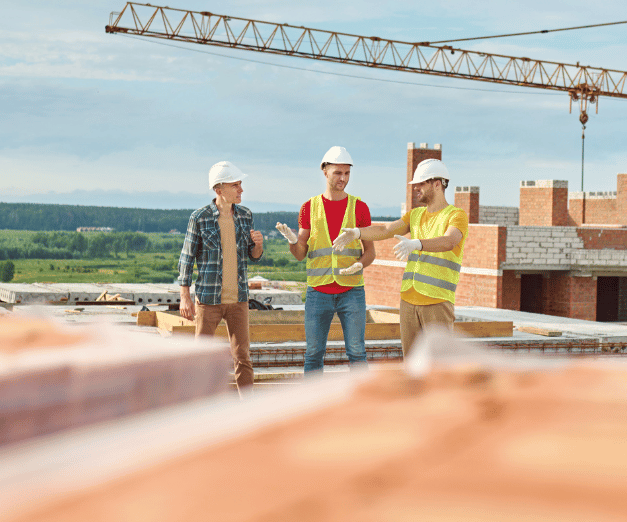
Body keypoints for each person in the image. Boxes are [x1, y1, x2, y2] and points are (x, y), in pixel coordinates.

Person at [331, 158, 467, 356]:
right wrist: (357, 233)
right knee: (412, 365)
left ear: (437, 184)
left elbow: (449, 241)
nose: (416, 188)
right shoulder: (415, 215)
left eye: (421, 184)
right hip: (409, 301)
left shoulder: (456, 215)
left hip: (437, 302)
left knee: (440, 366)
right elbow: (386, 229)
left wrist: (417, 244)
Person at [275, 146, 374, 375]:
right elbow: (300, 253)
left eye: (347, 173)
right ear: (325, 171)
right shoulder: (309, 207)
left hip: (352, 291)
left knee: (357, 352)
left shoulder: (359, 207)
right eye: (338, 173)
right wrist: (292, 240)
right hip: (318, 292)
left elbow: (370, 251)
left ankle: (362, 407)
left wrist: (360, 264)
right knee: (313, 353)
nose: (343, 178)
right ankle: (311, 402)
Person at [178, 161, 264, 391]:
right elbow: (186, 258)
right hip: (208, 300)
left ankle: (246, 407)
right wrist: (185, 296)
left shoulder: (246, 215)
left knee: (242, 357)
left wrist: (258, 245)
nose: (241, 190)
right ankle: (198, 405)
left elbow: (253, 256)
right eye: (235, 185)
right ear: (219, 190)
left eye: (240, 184)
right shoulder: (200, 218)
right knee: (202, 357)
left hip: (239, 300)